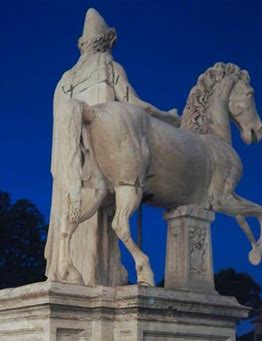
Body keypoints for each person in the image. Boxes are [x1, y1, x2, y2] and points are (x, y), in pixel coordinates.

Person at [45, 8, 180, 287]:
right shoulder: (109, 68)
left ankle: (66, 263)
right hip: (107, 158)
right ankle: (103, 272)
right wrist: (168, 117)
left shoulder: (66, 80)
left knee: (79, 209)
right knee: (120, 196)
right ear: (107, 42)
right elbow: (136, 106)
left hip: (73, 162)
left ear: (84, 44)